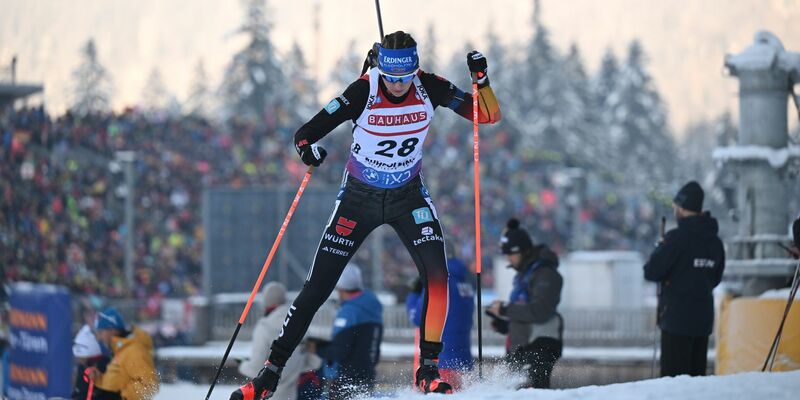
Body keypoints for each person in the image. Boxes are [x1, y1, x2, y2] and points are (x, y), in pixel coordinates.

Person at [231, 29, 500, 400]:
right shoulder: (364, 90)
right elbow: (306, 133)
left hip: (409, 197)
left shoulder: (430, 87)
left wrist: (482, 80)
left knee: (438, 278)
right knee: (317, 288)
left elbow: (486, 115)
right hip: (359, 199)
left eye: (405, 78)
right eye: (391, 78)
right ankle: (269, 375)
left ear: (414, 71)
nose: (398, 86)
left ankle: (428, 369)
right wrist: (308, 151)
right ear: (381, 70)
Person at [644, 181, 725, 377]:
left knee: (674, 384)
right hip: (702, 322)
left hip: (676, 322)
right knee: (695, 383)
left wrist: (660, 249)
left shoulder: (676, 239)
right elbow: (715, 278)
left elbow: (651, 271)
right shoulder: (715, 242)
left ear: (681, 208)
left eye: (675, 208)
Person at [487, 219, 563, 389]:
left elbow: (540, 311)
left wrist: (505, 309)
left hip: (539, 345)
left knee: (533, 392)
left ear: (522, 251)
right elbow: (524, 311)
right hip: (521, 347)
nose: (508, 259)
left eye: (510, 254)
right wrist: (505, 323)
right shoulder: (523, 275)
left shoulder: (544, 273)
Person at [405, 244, 474, 390]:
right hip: (463, 361)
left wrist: (414, 293)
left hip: (442, 361)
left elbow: (418, 318)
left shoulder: (439, 280)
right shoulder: (463, 280)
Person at [238, 282, 321, 400]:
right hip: (291, 395)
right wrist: (293, 371)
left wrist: (242, 365)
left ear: (266, 302)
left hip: (268, 396)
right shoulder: (301, 325)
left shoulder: (264, 327)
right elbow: (314, 362)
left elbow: (255, 367)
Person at [315, 264, 383, 399]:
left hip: (347, 378)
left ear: (340, 287)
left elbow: (340, 350)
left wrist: (317, 348)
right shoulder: (372, 305)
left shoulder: (349, 312)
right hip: (367, 373)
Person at [91, 307, 159, 400]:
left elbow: (150, 385)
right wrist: (99, 379)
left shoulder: (134, 351)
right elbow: (118, 384)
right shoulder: (122, 351)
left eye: (101, 332)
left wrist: (122, 396)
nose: (99, 337)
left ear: (112, 330)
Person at [72, 324, 112, 400]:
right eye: (79, 358)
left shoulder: (107, 366)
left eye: (82, 358)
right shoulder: (82, 368)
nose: (80, 361)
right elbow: (79, 393)